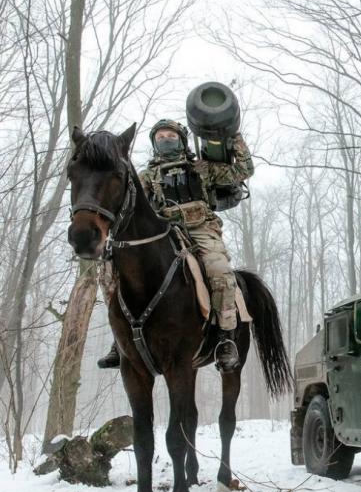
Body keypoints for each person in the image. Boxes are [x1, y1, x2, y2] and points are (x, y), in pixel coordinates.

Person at [97, 119, 254, 371]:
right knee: (110, 275)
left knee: (221, 272)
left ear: (181, 140)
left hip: (202, 229)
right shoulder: (147, 176)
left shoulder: (202, 168)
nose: (165, 140)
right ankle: (120, 340)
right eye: (160, 137)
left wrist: (235, 138)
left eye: (170, 136)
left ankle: (226, 338)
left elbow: (244, 170)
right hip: (163, 231)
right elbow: (131, 205)